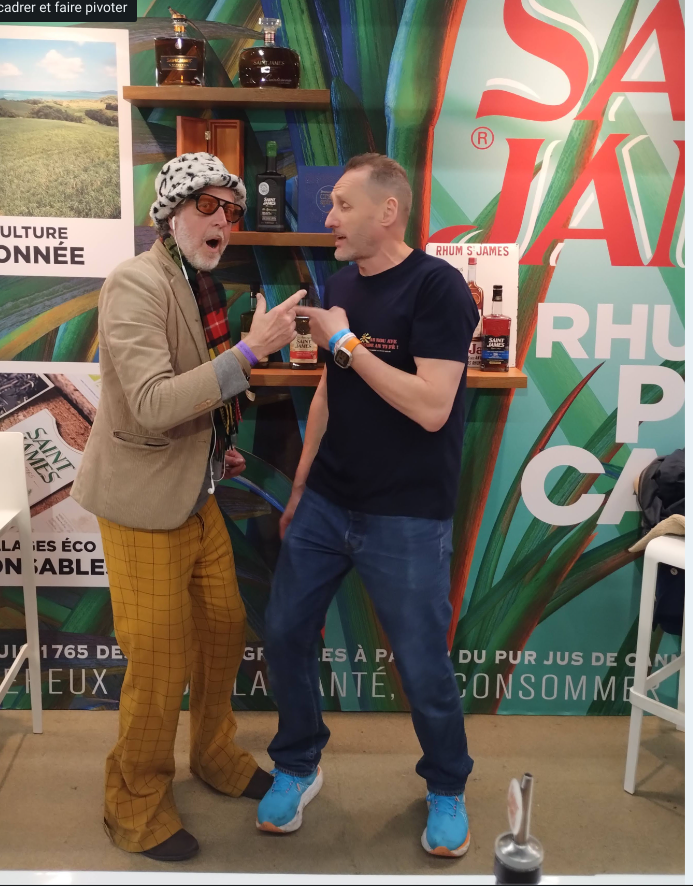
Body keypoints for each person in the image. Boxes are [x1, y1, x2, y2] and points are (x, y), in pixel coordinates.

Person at [71, 153, 303, 862]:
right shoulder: (135, 282)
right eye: (208, 205)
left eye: (232, 211)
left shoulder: (199, 286)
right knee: (160, 661)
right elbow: (149, 403)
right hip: (141, 504)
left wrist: (216, 447)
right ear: (170, 213)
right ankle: (135, 803)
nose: (223, 221)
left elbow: (193, 394)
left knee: (223, 629)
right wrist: (250, 352)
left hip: (195, 491)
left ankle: (213, 753)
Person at [255, 153, 479, 857]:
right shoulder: (343, 284)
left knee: (421, 662)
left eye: (342, 205)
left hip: (406, 514)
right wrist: (300, 486)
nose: (328, 218)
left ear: (388, 211)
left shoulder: (439, 288)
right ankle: (298, 764)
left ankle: (446, 784)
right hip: (327, 502)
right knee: (286, 631)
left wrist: (346, 341)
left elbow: (432, 406)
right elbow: (331, 388)